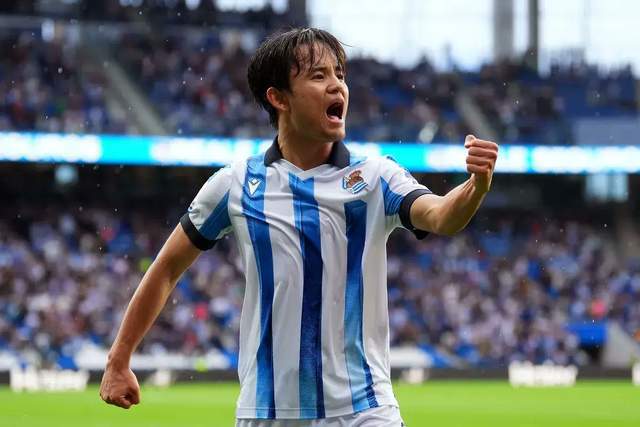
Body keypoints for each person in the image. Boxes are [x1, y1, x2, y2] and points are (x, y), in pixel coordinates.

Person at [99, 27, 499, 426]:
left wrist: (475, 186)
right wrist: (119, 360)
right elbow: (167, 268)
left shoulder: (376, 176)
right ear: (279, 98)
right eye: (319, 75)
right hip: (268, 412)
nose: (337, 86)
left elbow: (442, 215)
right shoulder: (236, 184)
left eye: (340, 74)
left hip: (365, 410)